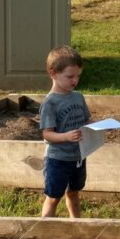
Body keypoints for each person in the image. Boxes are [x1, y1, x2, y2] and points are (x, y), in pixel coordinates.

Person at [40, 46, 90, 218]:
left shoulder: (78, 97)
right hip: (57, 160)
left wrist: (101, 126)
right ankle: (45, 230)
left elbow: (86, 121)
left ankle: (77, 226)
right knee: (53, 197)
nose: (75, 80)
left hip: (78, 158)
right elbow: (47, 134)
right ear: (53, 73)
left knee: (74, 193)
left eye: (78, 76)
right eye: (70, 76)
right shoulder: (50, 103)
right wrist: (66, 136)